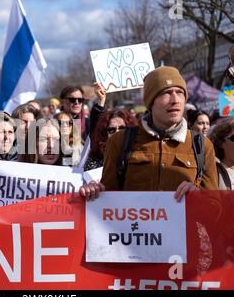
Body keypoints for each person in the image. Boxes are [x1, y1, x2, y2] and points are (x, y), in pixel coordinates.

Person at [80, 66, 218, 201]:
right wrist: (95, 191)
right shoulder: (119, 141)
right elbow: (108, 198)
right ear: (150, 102)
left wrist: (199, 196)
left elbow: (215, 205)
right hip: (132, 224)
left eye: (180, 93)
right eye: (166, 93)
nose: (175, 100)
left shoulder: (202, 145)